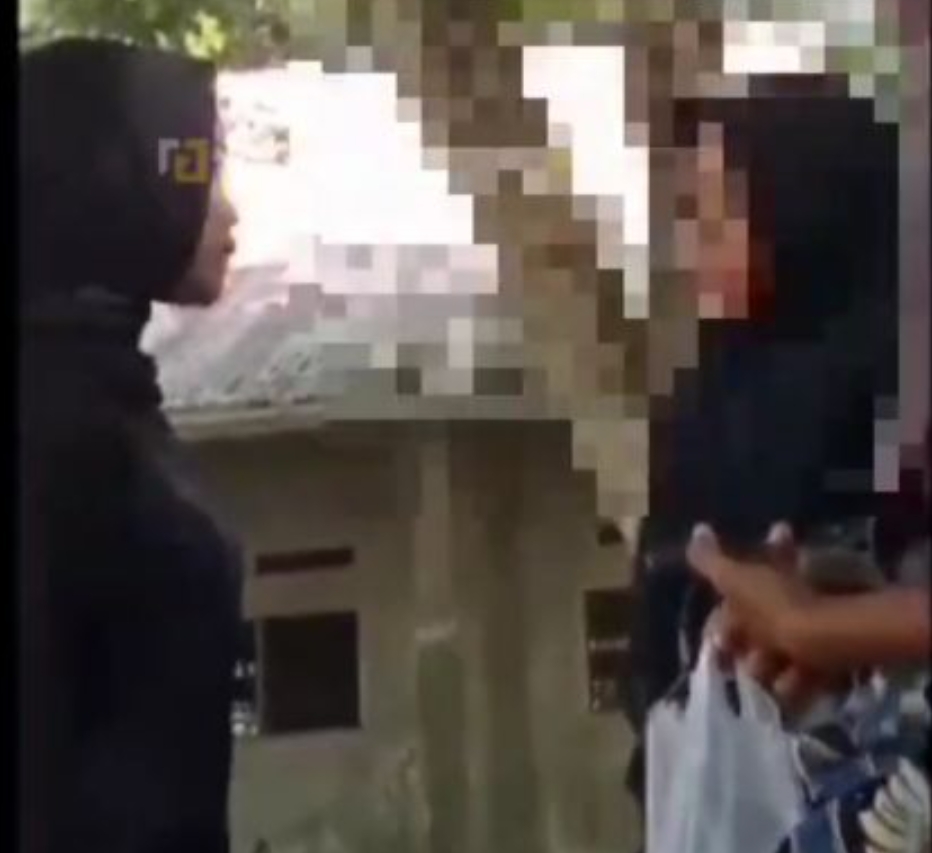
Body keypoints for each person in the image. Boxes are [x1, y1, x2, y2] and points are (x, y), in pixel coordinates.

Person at [624, 74, 907, 817]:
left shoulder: (896, 395)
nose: (693, 247)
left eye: (716, 216)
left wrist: (828, 630)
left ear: (803, 212)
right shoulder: (714, 396)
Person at [19, 39, 241, 853]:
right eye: (201, 171)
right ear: (113, 177)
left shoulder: (101, 397)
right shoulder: (60, 441)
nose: (228, 212)